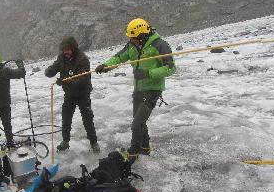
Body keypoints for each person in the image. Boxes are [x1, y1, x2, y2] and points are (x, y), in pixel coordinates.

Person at [95, 18, 176, 157]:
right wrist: (106, 66)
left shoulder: (160, 45)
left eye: (133, 38)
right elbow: (119, 57)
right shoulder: (132, 45)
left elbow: (171, 68)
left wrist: (148, 74)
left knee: (136, 125)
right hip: (138, 89)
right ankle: (145, 148)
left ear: (142, 36)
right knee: (140, 123)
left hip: (152, 90)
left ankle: (134, 151)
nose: (131, 40)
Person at [45, 36, 100, 153]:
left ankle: (93, 142)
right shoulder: (62, 57)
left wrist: (64, 81)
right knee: (66, 119)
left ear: (74, 49)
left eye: (68, 50)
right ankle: (65, 141)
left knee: (88, 120)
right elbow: (56, 66)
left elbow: (82, 79)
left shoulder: (83, 59)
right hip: (69, 95)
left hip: (82, 94)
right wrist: (50, 71)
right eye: (64, 50)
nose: (66, 52)